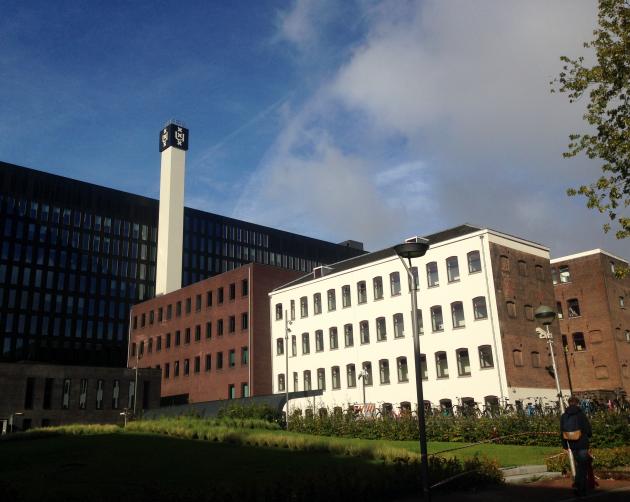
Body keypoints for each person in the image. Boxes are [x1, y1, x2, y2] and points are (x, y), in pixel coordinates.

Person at [560, 396, 592, 496]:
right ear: (577, 403)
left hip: (572, 443)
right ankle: (580, 486)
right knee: (583, 466)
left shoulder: (564, 416)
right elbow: (588, 429)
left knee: (579, 464)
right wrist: (589, 436)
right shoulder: (581, 414)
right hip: (582, 443)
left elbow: (562, 432)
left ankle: (579, 484)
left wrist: (565, 446)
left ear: (569, 403)